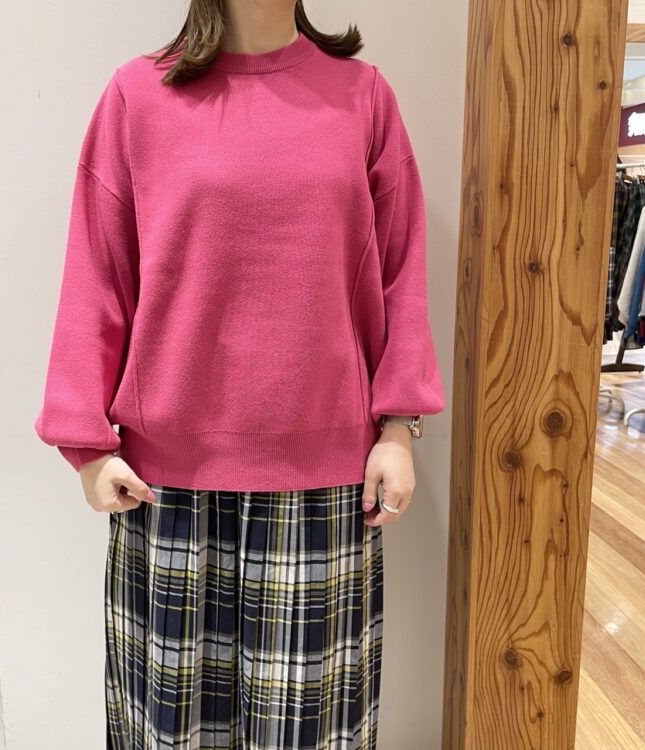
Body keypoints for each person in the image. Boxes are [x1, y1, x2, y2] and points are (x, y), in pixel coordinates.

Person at [35, 1, 446, 747]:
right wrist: (86, 446)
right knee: (169, 733)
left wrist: (398, 424)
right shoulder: (136, 97)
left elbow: (401, 270)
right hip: (164, 494)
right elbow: (97, 275)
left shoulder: (363, 98)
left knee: (310, 734)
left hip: (321, 489)